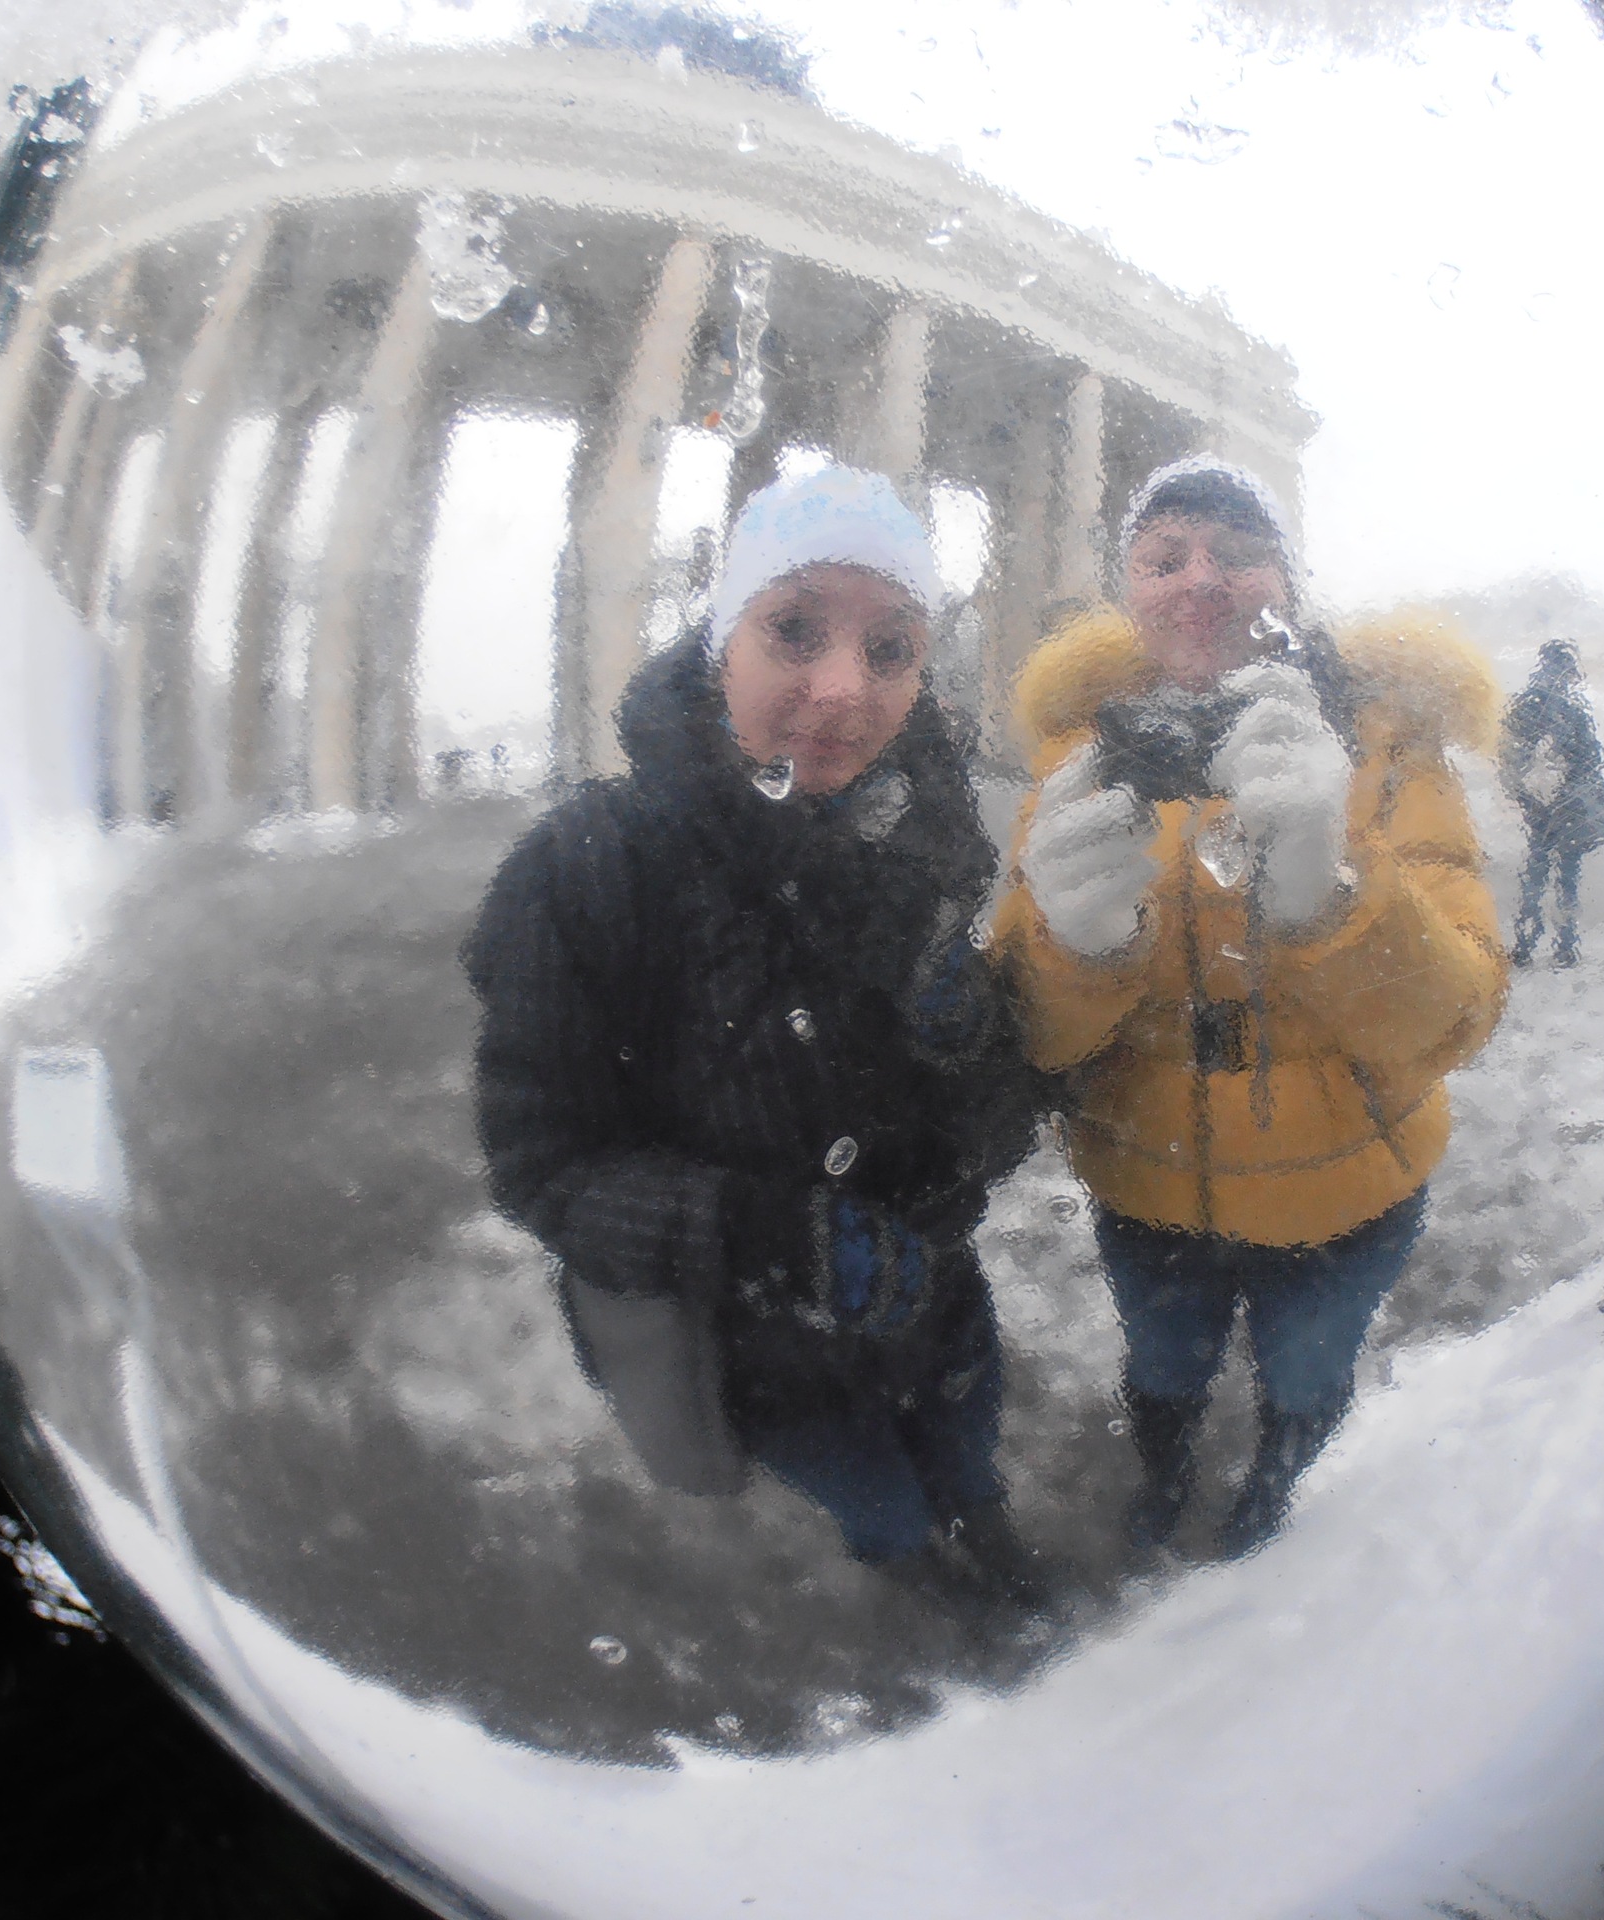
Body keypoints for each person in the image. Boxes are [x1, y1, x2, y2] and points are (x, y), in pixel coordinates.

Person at [463, 466, 1042, 1602]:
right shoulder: (587, 868)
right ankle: (930, 1583)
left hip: (936, 1307)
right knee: (878, 1501)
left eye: (891, 648)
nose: (843, 689)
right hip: (759, 1348)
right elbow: (545, 1168)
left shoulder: (928, 847)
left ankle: (983, 1537)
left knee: (967, 1452)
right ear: (720, 637)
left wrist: (972, 1039)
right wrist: (764, 1235)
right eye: (794, 630)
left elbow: (994, 1134)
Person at [995, 457, 1509, 1559]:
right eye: (1164, 558)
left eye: (1238, 555)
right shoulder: (1082, 749)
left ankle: (1274, 1487)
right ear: (1127, 591)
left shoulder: (1387, 743)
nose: (1201, 582)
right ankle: (1167, 1469)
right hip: (1147, 1176)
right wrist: (1077, 948)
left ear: (1289, 581)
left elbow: (1455, 1020)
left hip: (1347, 1188)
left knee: (1307, 1374)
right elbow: (1029, 1036)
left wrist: (1334, 900)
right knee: (1162, 1366)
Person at [1497, 641, 1604, 967]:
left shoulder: (1529, 704)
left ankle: (1529, 945)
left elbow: (1510, 758)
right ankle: (1562, 946)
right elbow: (1588, 759)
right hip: (1566, 804)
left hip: (1548, 805)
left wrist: (1525, 797)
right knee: (1561, 875)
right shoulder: (1567, 708)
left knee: (1538, 874)